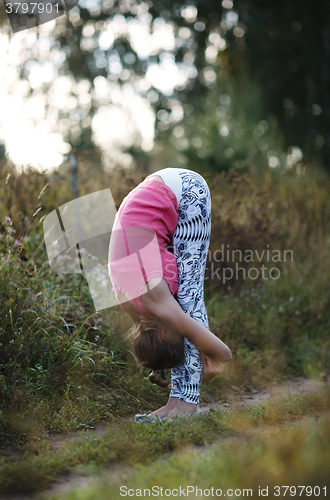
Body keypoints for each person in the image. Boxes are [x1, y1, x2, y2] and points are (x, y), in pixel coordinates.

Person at [108, 167, 231, 419]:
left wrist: (212, 367)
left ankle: (189, 403)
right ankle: (176, 400)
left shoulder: (154, 299)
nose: (178, 333)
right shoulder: (130, 305)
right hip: (150, 192)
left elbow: (223, 353)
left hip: (186, 190)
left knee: (189, 300)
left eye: (176, 338)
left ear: (164, 334)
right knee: (183, 306)